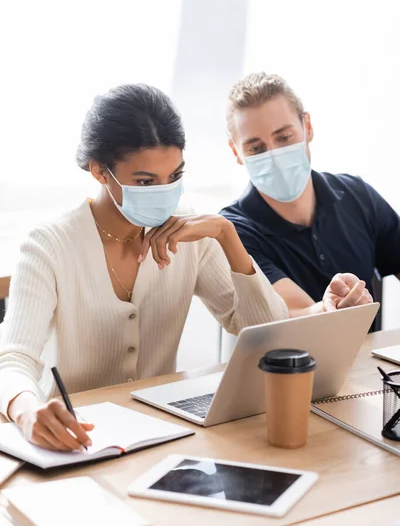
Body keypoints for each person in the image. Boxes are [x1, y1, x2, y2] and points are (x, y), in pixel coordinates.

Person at [0, 83, 291, 451]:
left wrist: (226, 235)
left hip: (163, 437)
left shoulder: (192, 234)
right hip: (78, 443)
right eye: (145, 181)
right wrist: (28, 412)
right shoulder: (50, 246)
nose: (164, 192)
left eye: (174, 176)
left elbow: (272, 337)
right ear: (100, 171)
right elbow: (13, 359)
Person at [221, 72, 400, 318]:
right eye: (256, 148)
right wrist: (329, 309)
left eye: (284, 137)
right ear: (236, 152)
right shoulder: (234, 231)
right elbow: (288, 314)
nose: (274, 155)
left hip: (368, 357)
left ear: (307, 127)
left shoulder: (358, 196)